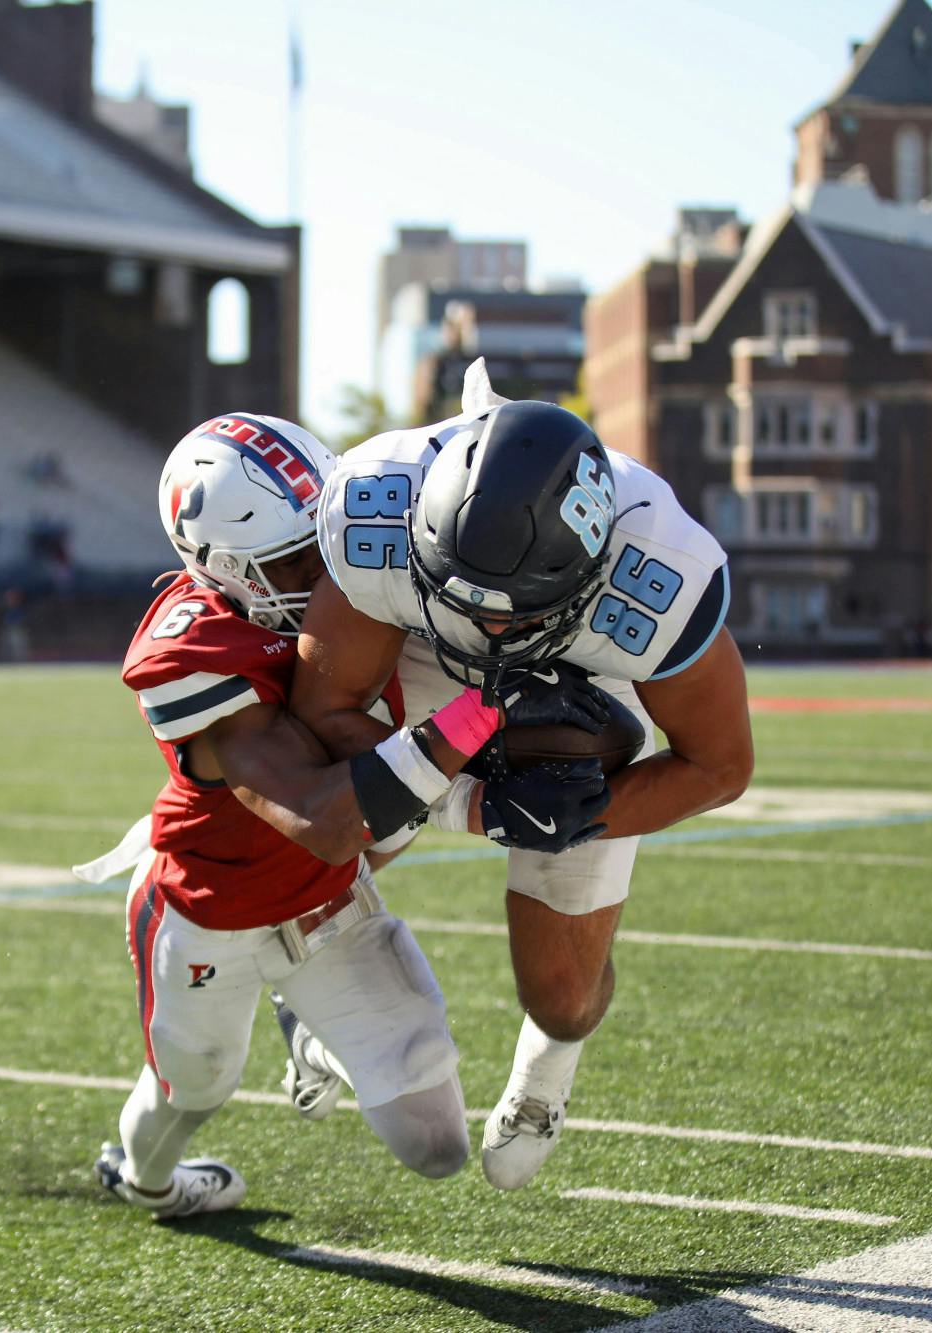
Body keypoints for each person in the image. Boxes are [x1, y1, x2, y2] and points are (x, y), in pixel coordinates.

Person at [84, 412, 596, 1219]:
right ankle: (146, 1179)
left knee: (437, 1147)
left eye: (320, 539)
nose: (325, 570)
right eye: (294, 558)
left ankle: (307, 1015)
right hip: (211, 907)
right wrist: (484, 712)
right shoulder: (192, 654)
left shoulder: (359, 573)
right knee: (194, 1085)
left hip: (328, 902)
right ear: (224, 568)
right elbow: (324, 814)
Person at [290, 360, 754, 1191]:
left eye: (516, 608)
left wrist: (579, 811)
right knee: (321, 839)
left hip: (586, 682)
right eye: (468, 596)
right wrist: (471, 805)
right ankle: (328, 999)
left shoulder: (656, 578)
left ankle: (547, 1074)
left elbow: (720, 766)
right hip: (424, 651)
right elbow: (326, 716)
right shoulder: (378, 513)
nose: (491, 624)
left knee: (563, 991)